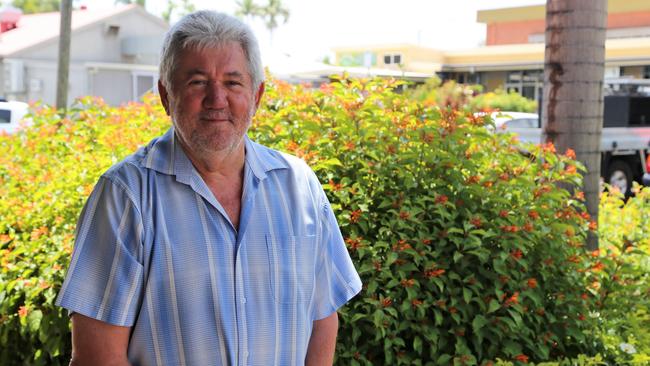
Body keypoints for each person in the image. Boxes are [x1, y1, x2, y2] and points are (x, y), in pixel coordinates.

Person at [56, 10, 361, 366]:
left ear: (257, 96)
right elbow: (98, 357)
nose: (217, 99)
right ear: (166, 96)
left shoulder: (299, 187)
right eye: (198, 82)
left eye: (233, 83)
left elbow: (322, 319)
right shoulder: (126, 197)